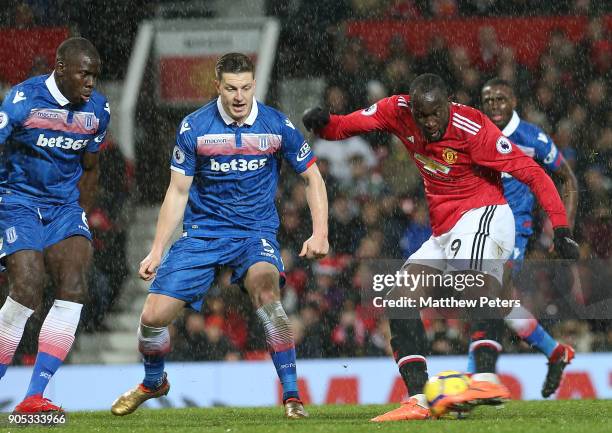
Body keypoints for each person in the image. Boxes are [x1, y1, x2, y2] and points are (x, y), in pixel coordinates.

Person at [303, 73, 579, 421]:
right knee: (399, 298)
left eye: (436, 114)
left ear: (448, 104)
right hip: (444, 231)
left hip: (485, 215)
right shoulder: (398, 109)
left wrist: (561, 227)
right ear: (413, 109)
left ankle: (484, 377)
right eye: (423, 116)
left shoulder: (472, 127)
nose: (430, 123)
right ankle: (419, 399)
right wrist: (323, 125)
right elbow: (347, 125)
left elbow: (534, 174)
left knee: (476, 285)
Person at [111, 53, 328, 419]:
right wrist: (157, 250)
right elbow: (177, 193)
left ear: (253, 85)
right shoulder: (195, 126)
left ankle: (292, 396)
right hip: (203, 234)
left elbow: (313, 177)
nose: (239, 96)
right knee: (151, 317)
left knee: (266, 292)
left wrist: (320, 232)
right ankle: (153, 382)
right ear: (218, 86)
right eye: (231, 88)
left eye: (245, 87)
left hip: (253, 233)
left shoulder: (276, 124)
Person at [0, 37, 109, 413]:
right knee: (28, 289)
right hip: (17, 199)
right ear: (60, 68)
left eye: (95, 75)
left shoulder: (98, 110)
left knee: (75, 286)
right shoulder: (21, 100)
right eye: (85, 74)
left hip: (64, 206)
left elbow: (91, 168)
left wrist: (81, 215)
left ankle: (33, 397)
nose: (91, 83)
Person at [475, 77, 579, 397]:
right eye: (488, 100)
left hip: (514, 231)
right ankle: (555, 351)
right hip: (479, 229)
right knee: (500, 302)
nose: (494, 105)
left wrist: (564, 231)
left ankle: (479, 378)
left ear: (514, 101)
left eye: (500, 99)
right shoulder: (476, 134)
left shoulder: (531, 137)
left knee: (486, 294)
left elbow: (567, 179)